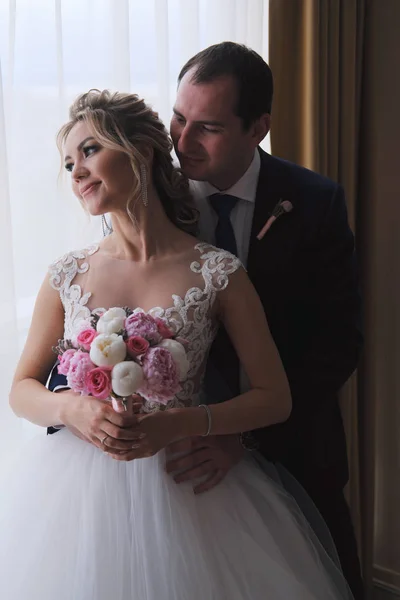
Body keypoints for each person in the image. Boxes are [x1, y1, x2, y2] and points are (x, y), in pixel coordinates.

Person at [0, 89, 353, 599]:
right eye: (69, 161)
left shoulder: (217, 271)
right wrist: (73, 408)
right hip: (79, 493)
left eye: (91, 149)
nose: (76, 172)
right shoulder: (66, 274)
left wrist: (183, 423)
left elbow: (275, 397)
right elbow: (20, 390)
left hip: (190, 486)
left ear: (141, 150)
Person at [166, 42, 364, 598]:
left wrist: (244, 437)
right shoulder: (153, 196)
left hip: (295, 446)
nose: (182, 144)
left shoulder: (315, 201)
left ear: (259, 128)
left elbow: (337, 344)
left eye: (206, 128)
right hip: (181, 457)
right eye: (177, 118)